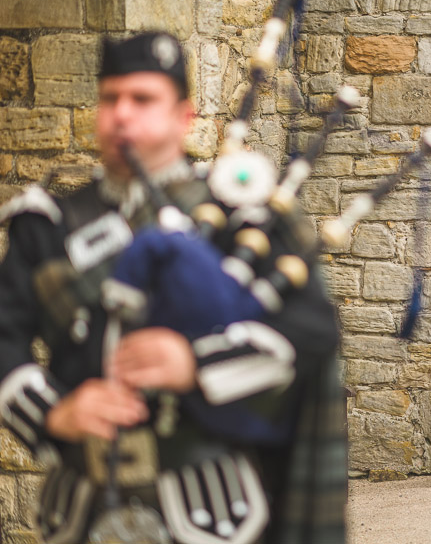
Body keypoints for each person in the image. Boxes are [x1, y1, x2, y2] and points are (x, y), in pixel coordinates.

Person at [0, 33, 345, 544]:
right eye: (110, 98)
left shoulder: (242, 213)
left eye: (142, 99)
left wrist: (195, 362)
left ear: (184, 115)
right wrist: (53, 413)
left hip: (215, 512)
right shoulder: (47, 224)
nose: (122, 114)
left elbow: (311, 331)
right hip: (82, 513)